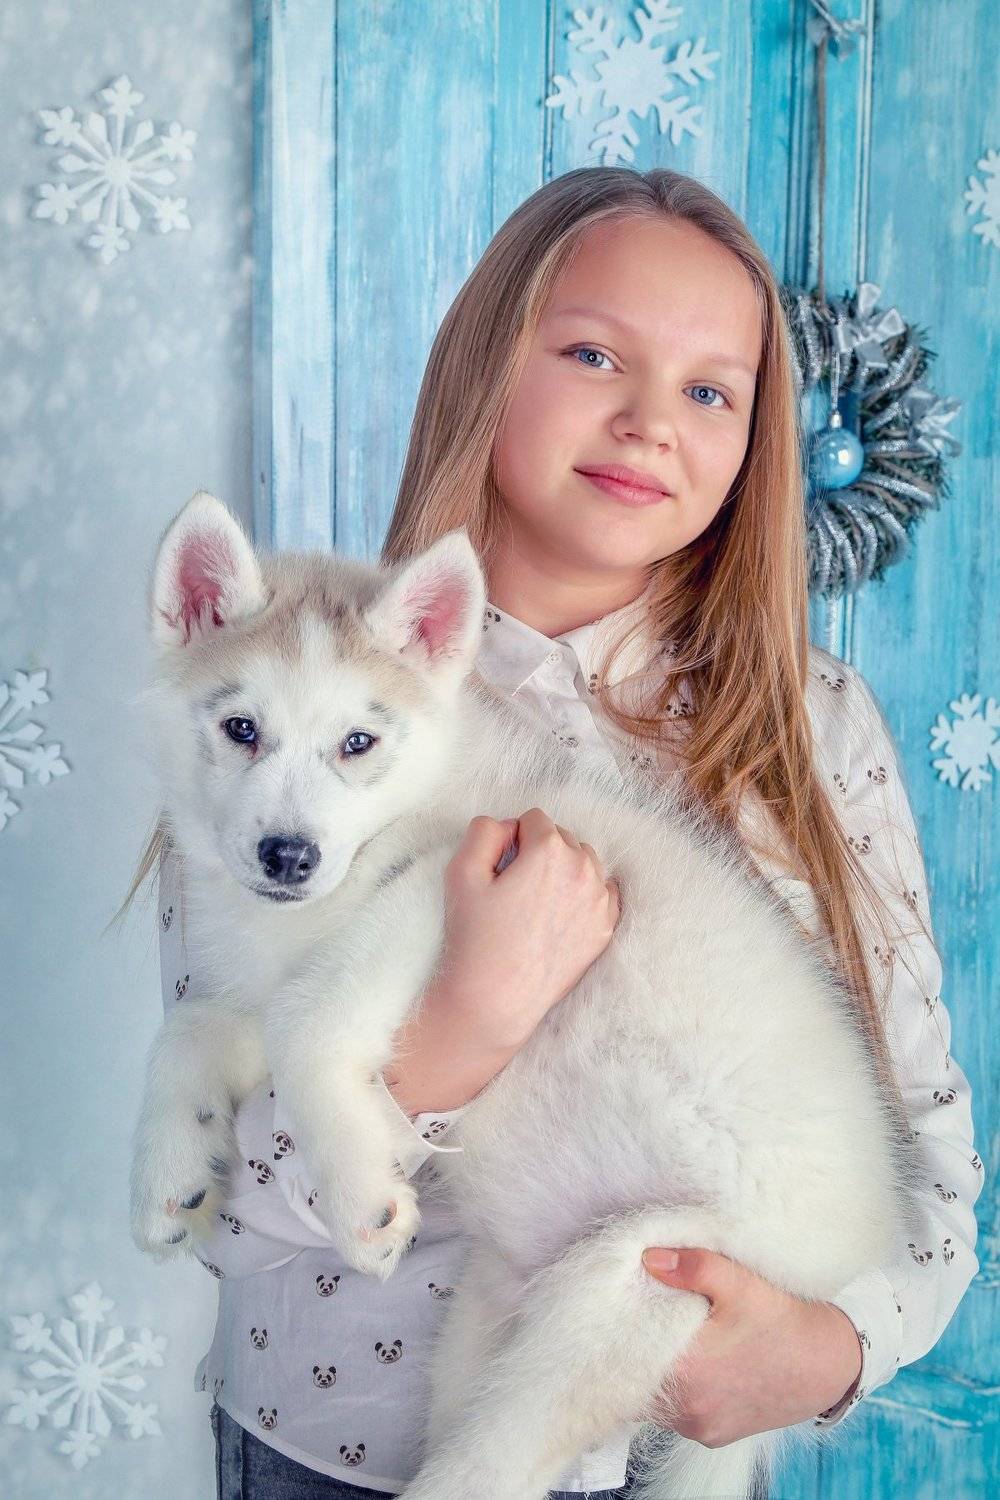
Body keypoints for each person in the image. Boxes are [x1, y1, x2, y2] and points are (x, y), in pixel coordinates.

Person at [139, 167, 982, 1498]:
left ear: (756, 439)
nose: (650, 422)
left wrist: (832, 1350)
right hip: (330, 1448)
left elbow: (931, 1157)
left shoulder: (809, 725)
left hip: (674, 1431)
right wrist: (450, 1035)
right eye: (593, 354)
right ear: (487, 363)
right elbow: (223, 1225)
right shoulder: (293, 705)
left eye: (711, 391)